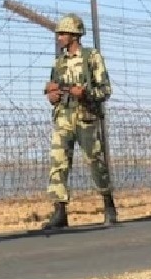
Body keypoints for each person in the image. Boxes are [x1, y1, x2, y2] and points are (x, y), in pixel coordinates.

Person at [39, 13, 117, 230]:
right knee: (58, 162)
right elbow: (54, 91)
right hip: (64, 116)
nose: (59, 37)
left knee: (95, 161)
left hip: (86, 117)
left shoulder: (92, 57)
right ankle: (59, 210)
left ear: (74, 35)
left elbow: (106, 90)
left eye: (63, 33)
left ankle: (108, 203)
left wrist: (85, 93)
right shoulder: (59, 63)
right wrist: (52, 96)